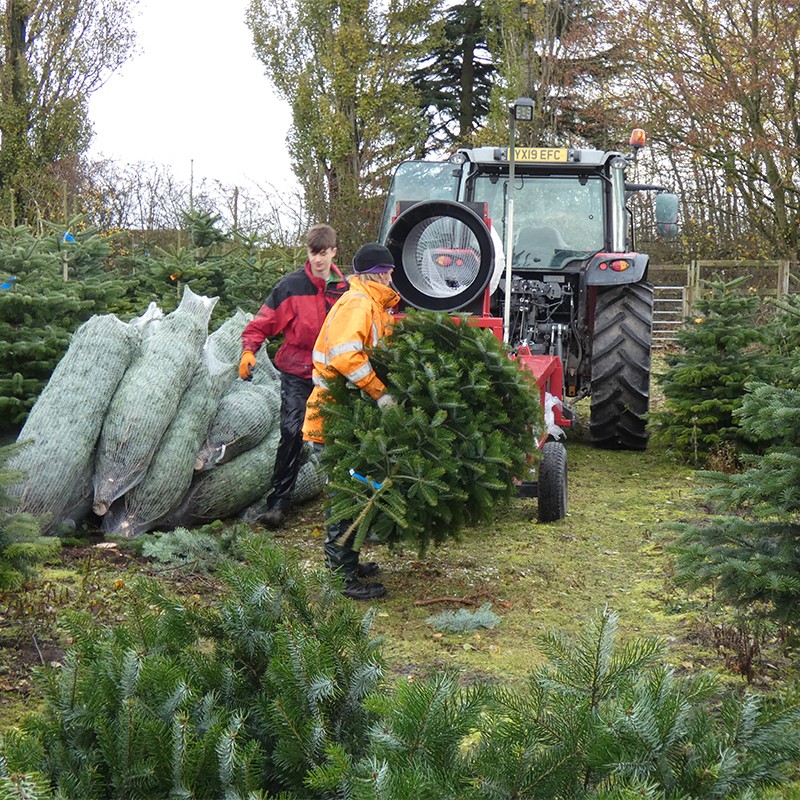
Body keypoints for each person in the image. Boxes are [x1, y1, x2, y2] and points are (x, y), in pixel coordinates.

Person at [302, 242, 400, 601]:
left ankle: (348, 562)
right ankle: (342, 579)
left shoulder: (371, 303)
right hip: (334, 419)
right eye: (389, 271)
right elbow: (346, 355)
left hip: (348, 419)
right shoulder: (359, 303)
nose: (392, 277)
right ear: (382, 272)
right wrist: (379, 392)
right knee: (346, 495)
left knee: (357, 490)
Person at [239, 223, 348, 529]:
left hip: (336, 374)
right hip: (298, 371)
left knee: (339, 436)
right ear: (308, 252)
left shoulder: (346, 291)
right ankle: (279, 502)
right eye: (314, 253)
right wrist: (249, 351)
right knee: (291, 431)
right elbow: (260, 324)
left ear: (333, 252)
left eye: (324, 253)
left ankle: (344, 500)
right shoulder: (291, 286)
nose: (318, 259)